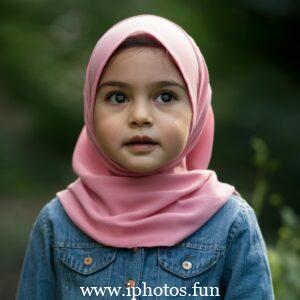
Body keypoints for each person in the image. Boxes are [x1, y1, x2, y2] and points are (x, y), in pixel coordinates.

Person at [16, 14, 275, 299]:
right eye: (118, 97)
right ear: (90, 109)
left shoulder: (230, 223)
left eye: (165, 97)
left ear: (198, 109)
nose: (140, 116)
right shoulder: (57, 224)